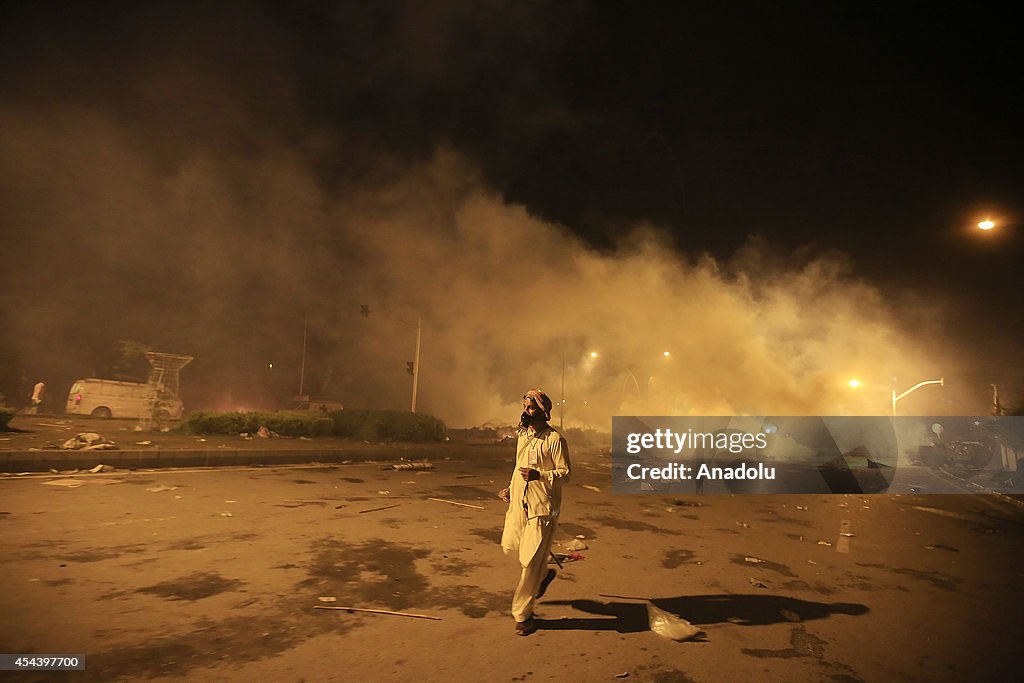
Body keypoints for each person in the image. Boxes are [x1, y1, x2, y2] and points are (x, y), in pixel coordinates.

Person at [499, 389, 571, 636]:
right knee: (511, 546)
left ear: (543, 411)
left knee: (528, 561)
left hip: (542, 508)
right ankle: (542, 575)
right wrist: (510, 488)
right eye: (525, 407)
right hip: (519, 504)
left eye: (531, 408)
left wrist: (540, 475)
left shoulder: (555, 439)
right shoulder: (523, 437)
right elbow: (519, 466)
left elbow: (565, 473)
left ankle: (523, 615)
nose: (526, 411)